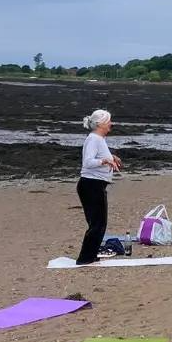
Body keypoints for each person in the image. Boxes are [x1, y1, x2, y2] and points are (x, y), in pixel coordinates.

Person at [76, 109, 122, 265]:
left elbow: (100, 154)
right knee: (97, 224)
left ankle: (91, 255)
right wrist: (104, 161)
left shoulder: (99, 139)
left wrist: (111, 157)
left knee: (98, 223)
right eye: (109, 121)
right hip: (91, 185)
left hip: (95, 185)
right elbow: (88, 162)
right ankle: (85, 259)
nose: (111, 124)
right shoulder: (94, 139)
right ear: (101, 123)